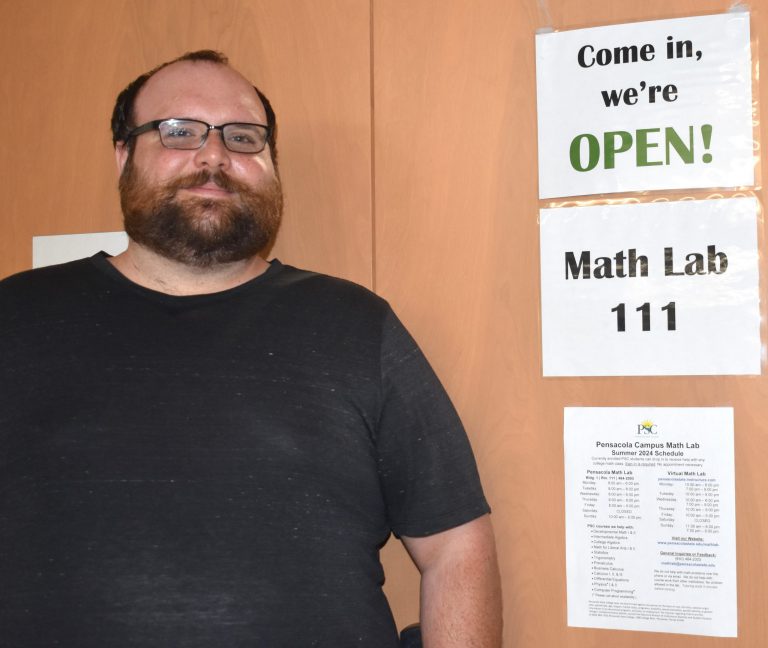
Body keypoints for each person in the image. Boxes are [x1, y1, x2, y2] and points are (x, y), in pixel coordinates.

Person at [0, 50, 502, 647]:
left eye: (243, 138)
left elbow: (455, 545)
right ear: (124, 155)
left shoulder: (355, 327)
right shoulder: (18, 319)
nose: (214, 156)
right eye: (179, 131)